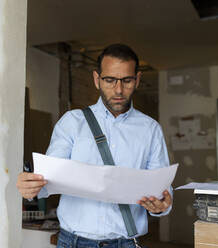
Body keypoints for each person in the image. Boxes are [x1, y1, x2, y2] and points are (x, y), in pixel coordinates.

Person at [17, 44, 172, 248]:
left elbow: (161, 187)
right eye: (109, 80)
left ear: (137, 80)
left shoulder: (150, 129)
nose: (118, 89)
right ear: (97, 79)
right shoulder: (72, 122)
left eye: (126, 80)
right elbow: (48, 179)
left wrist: (160, 205)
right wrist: (31, 187)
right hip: (72, 242)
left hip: (125, 243)